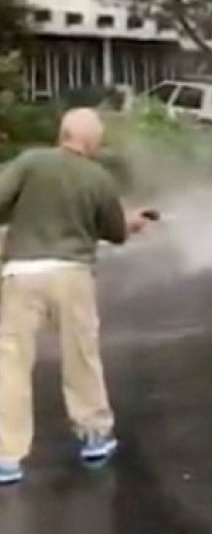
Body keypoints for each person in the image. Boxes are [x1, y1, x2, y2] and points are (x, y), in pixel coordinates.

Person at [0, 108, 152, 486]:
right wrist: (132, 222)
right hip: (72, 276)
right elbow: (115, 232)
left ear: (62, 132)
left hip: (22, 274)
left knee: (11, 363)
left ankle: (6, 456)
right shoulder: (97, 177)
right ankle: (94, 436)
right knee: (81, 356)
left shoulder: (31, 161)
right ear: (91, 141)